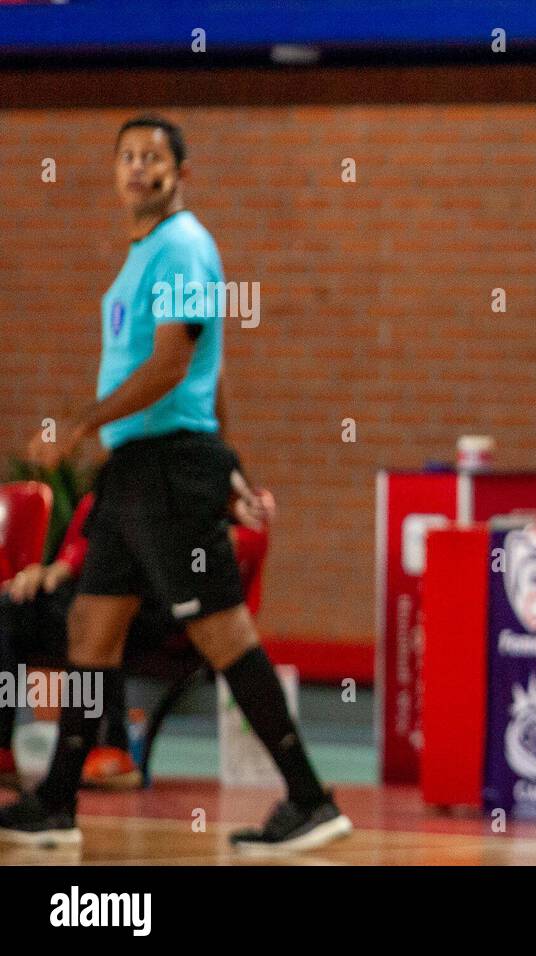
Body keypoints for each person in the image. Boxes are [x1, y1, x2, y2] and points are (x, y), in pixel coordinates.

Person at [0, 114, 350, 852]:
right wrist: (228, 461)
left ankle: (311, 797)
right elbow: (213, 372)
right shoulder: (142, 256)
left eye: (154, 157)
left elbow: (175, 366)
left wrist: (82, 426)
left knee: (222, 631)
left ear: (180, 172)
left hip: (168, 466)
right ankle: (58, 802)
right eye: (126, 156)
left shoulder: (185, 247)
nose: (138, 168)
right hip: (136, 472)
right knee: (90, 631)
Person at [0, 481, 273, 791]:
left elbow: (222, 546)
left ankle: (113, 746)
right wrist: (44, 573)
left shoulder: (229, 502)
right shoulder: (102, 499)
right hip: (89, 601)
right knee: (11, 607)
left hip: (174, 617)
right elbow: (73, 560)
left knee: (103, 610)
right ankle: (3, 749)